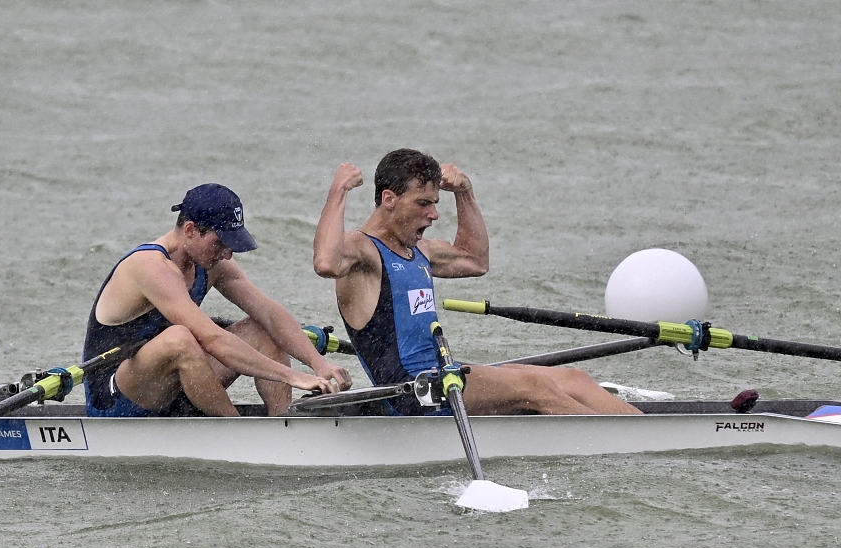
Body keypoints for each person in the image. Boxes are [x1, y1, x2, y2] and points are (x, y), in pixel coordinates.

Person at [312, 148, 641, 416]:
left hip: (444, 376)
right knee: (538, 390)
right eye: (423, 203)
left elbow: (475, 260)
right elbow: (326, 262)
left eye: (435, 204)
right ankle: (630, 446)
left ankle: (647, 430)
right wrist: (338, 190)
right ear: (389, 199)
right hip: (414, 393)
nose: (434, 215)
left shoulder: (422, 251)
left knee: (574, 379)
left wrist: (465, 193)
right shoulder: (363, 251)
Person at [83, 183, 352, 418]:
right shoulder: (150, 266)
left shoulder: (211, 263)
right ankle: (235, 433)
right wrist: (294, 377)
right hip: (117, 397)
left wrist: (319, 365)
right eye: (221, 242)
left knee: (263, 328)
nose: (227, 254)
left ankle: (282, 425)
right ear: (190, 230)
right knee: (179, 339)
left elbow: (270, 314)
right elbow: (212, 339)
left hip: (177, 385)